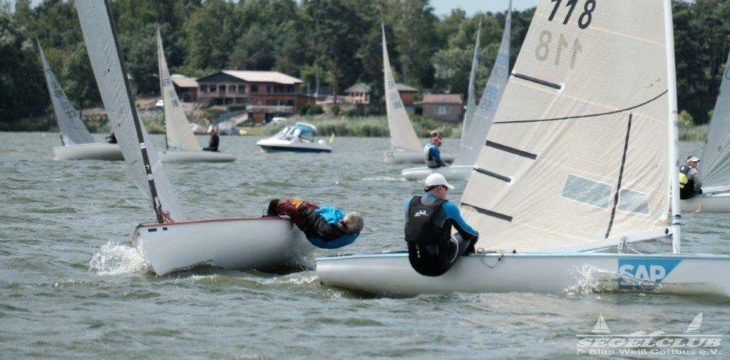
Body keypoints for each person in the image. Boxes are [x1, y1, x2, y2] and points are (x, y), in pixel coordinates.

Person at [404, 173, 478, 276]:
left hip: (416, 265)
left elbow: (412, 230)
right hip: (438, 267)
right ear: (439, 188)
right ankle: (472, 266)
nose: (446, 193)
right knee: (466, 236)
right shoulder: (448, 207)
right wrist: (476, 236)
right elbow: (469, 233)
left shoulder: (409, 203)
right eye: (445, 189)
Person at [267, 198, 364, 249]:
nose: (340, 222)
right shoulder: (354, 229)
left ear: (349, 231)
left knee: (280, 203)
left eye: (343, 224)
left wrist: (300, 207)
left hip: (310, 227)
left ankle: (270, 217)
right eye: (342, 219)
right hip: (319, 218)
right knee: (298, 200)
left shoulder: (329, 230)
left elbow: (313, 217)